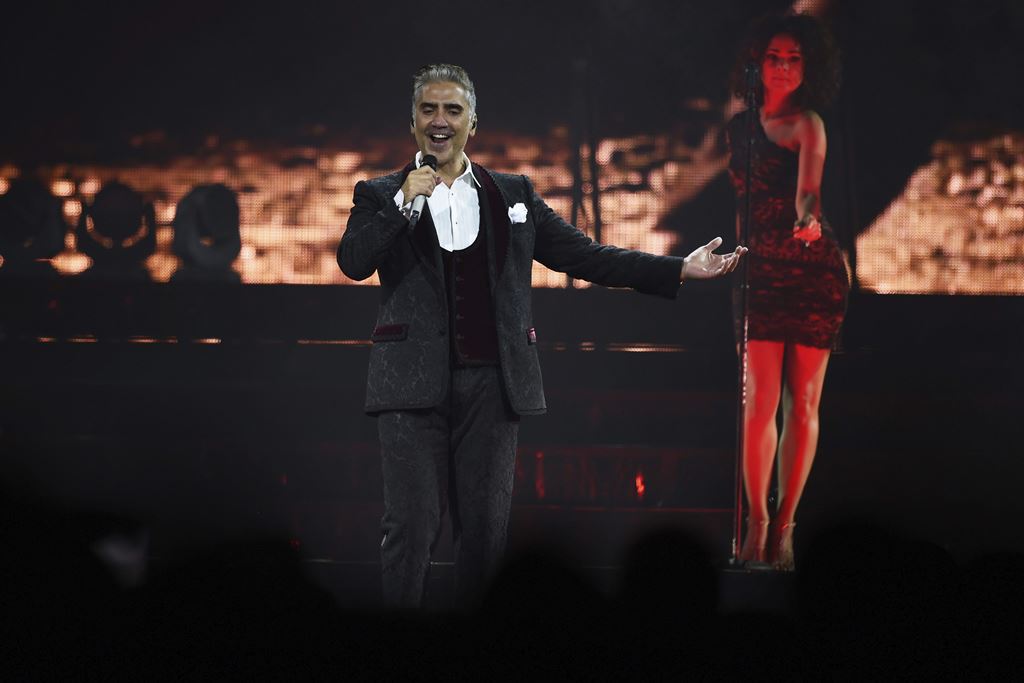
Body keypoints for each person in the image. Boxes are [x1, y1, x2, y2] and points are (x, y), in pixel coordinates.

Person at [338, 63, 746, 607]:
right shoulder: (379, 194)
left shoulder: (514, 194)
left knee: (485, 534)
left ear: (472, 122)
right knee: (410, 529)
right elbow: (354, 261)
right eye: (428, 109)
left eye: (453, 110)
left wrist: (677, 269)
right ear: (412, 121)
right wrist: (402, 204)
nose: (440, 121)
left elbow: (585, 256)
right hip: (410, 391)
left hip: (493, 389)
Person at [727, 14, 848, 570]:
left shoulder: (809, 124)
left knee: (804, 405)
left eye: (794, 58)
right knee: (759, 403)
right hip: (758, 275)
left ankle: (785, 529)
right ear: (758, 61)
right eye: (774, 56)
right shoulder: (739, 128)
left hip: (810, 274)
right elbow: (741, 202)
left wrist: (808, 219)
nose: (782, 66)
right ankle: (756, 525)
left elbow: (808, 191)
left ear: (809, 67)